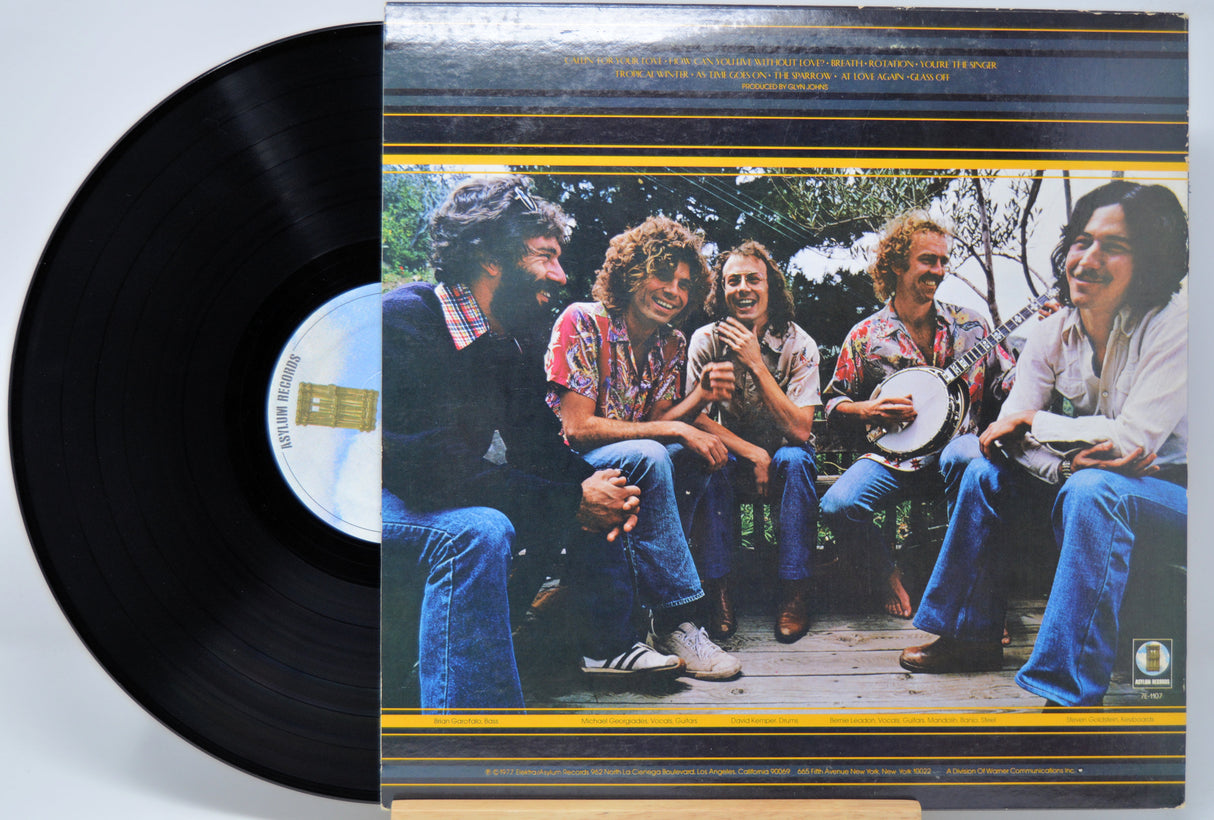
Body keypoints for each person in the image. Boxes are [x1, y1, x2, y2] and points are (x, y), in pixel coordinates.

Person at [382, 176, 680, 713]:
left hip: (421, 493)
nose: (561, 276)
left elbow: (539, 446)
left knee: (582, 494)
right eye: (545, 256)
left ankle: (601, 644)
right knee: (479, 529)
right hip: (357, 502)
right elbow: (425, 469)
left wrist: (599, 493)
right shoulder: (407, 320)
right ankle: (472, 739)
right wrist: (572, 501)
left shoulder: (505, 343)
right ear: (490, 257)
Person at [901, 181, 1187, 708]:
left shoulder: (1177, 326)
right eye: (1081, 241)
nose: (1087, 259)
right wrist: (1059, 465)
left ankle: (1067, 689)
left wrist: (1038, 421)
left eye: (1114, 246)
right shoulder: (1054, 331)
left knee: (1096, 490)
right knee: (975, 460)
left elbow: (1134, 441)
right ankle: (972, 636)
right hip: (1086, 476)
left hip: (1178, 492)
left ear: (1151, 260)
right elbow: (1000, 437)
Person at [545, 215, 743, 681]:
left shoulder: (670, 343)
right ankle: (677, 618)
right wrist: (677, 431)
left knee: (699, 452)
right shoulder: (584, 320)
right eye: (663, 274)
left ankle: (644, 605)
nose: (674, 291)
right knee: (658, 452)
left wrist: (698, 406)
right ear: (632, 272)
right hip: (568, 466)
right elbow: (576, 428)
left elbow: (656, 421)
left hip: (634, 459)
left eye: (684, 283)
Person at [820, 212, 1013, 618]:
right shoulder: (865, 335)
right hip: (895, 457)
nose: (938, 271)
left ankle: (973, 604)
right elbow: (834, 404)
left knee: (966, 458)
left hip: (959, 449)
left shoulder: (973, 326)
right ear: (894, 263)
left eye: (943, 261)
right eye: (928, 260)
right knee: (838, 505)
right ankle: (886, 573)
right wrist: (868, 409)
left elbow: (1009, 385)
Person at [684, 241, 822, 642]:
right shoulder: (706, 341)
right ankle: (719, 591)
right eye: (732, 281)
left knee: (796, 459)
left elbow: (800, 429)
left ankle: (794, 592)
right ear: (721, 291)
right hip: (733, 456)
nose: (743, 288)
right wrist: (752, 452)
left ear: (771, 288)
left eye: (753, 279)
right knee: (709, 462)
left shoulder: (799, 344)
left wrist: (757, 362)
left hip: (784, 460)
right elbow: (696, 415)